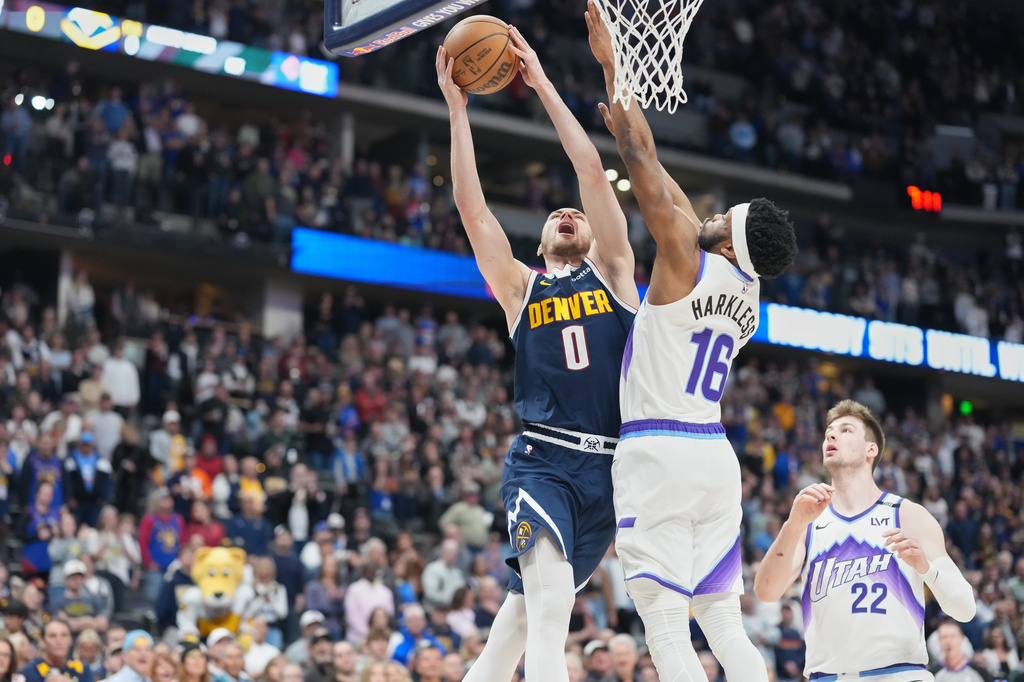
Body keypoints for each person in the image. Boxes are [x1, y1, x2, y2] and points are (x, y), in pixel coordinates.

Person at [586, 4, 798, 681]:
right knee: (725, 624)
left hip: (658, 450)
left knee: (666, 629)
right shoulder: (748, 294)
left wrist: (615, 66)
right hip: (713, 457)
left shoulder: (685, 256)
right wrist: (629, 123)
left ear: (730, 242)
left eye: (724, 216)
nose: (712, 213)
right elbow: (675, 200)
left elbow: (641, 160)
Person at [436, 22, 638, 682]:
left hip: (611, 474)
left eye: (574, 213)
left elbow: (590, 171)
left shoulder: (614, 272)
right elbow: (473, 212)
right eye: (555, 217)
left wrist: (542, 82)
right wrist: (458, 112)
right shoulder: (521, 290)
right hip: (543, 461)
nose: (567, 214)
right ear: (542, 241)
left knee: (515, 627)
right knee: (552, 611)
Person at [754, 400, 977, 681]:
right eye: (828, 432)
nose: (831, 436)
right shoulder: (807, 523)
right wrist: (792, 525)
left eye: (846, 430)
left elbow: (965, 609)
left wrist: (926, 568)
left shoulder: (907, 514)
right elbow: (766, 592)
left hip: (899, 674)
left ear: (871, 449)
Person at [18, 620, 95, 682]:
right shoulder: (29, 672)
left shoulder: (83, 669)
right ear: (42, 641)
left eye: (64, 635)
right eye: (52, 636)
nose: (59, 641)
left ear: (71, 640)